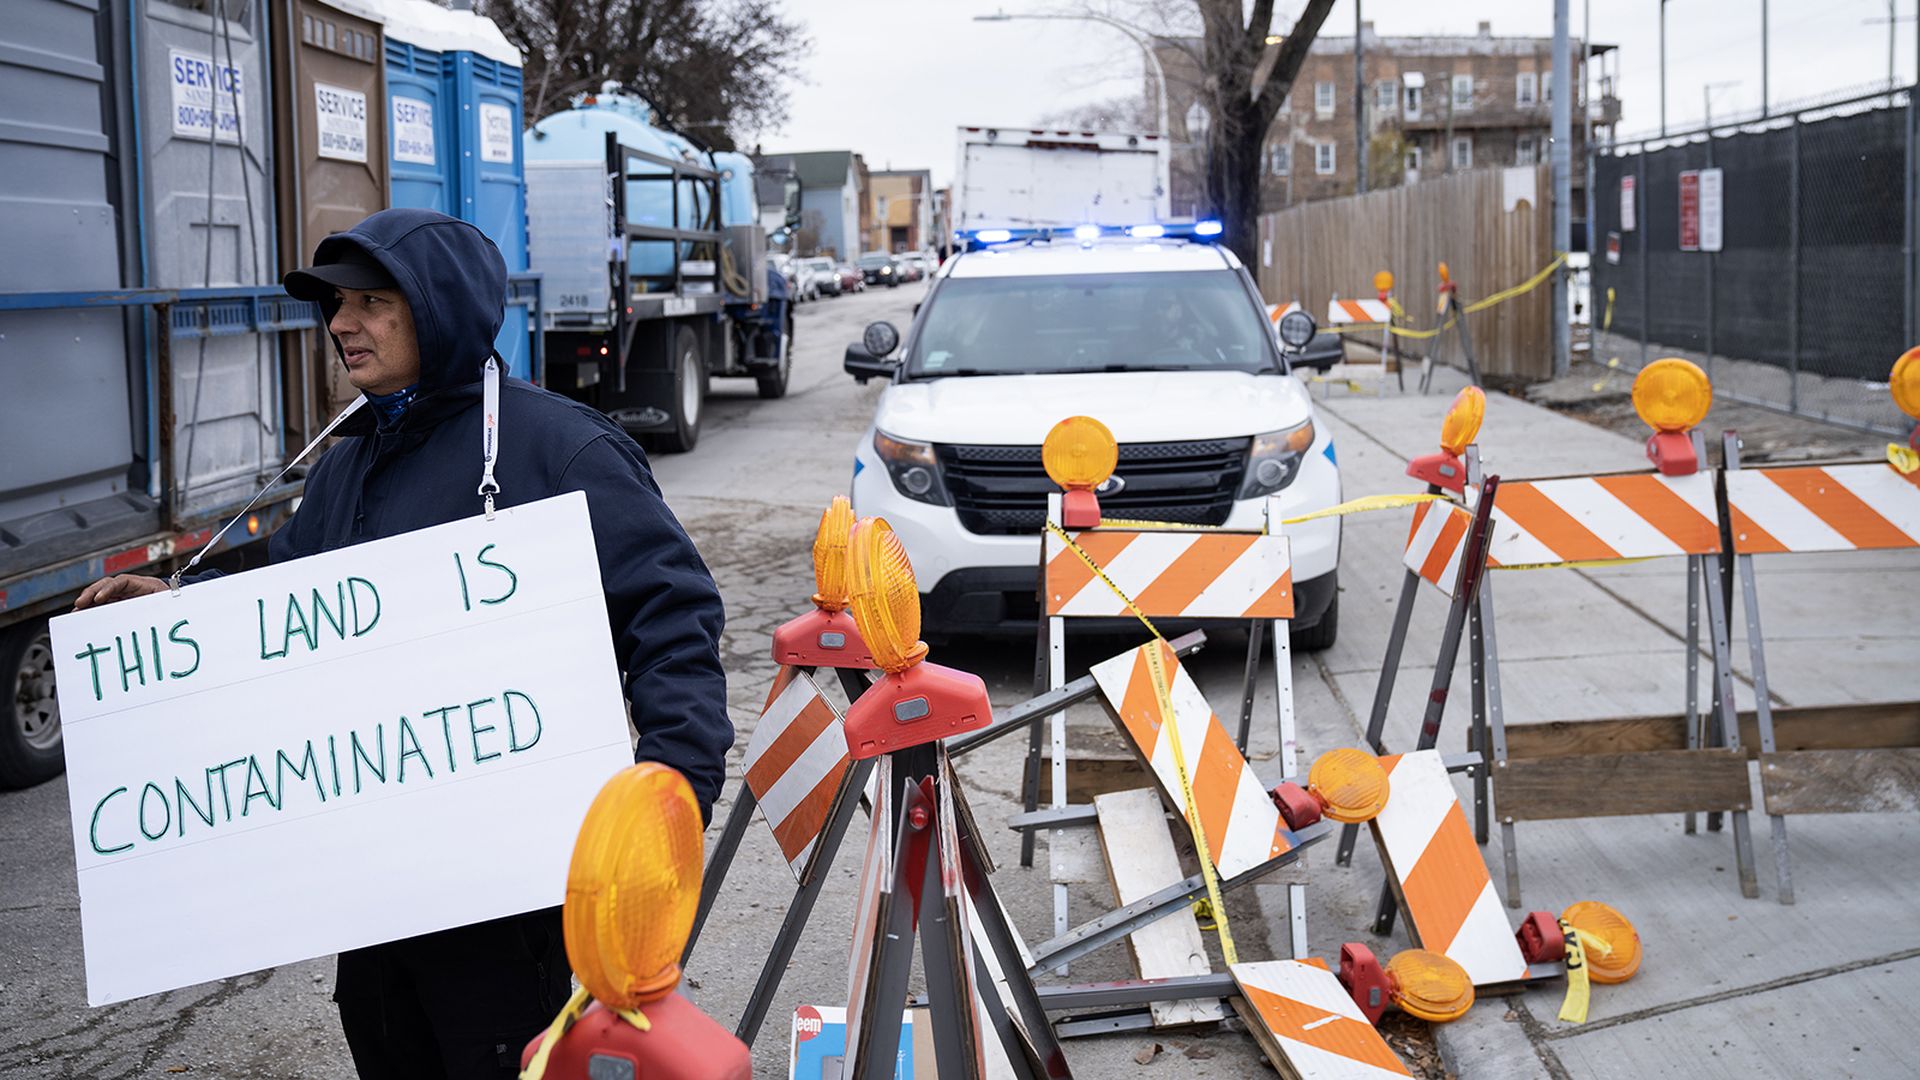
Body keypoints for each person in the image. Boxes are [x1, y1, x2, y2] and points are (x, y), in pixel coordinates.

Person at [73, 208, 733, 1079]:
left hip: (516, 918)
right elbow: (287, 608)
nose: (342, 324)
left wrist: (668, 803)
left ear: (441, 308)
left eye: (372, 302)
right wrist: (179, 609)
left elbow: (673, 622)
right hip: (374, 914)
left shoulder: (561, 451)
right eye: (337, 304)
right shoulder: (348, 460)